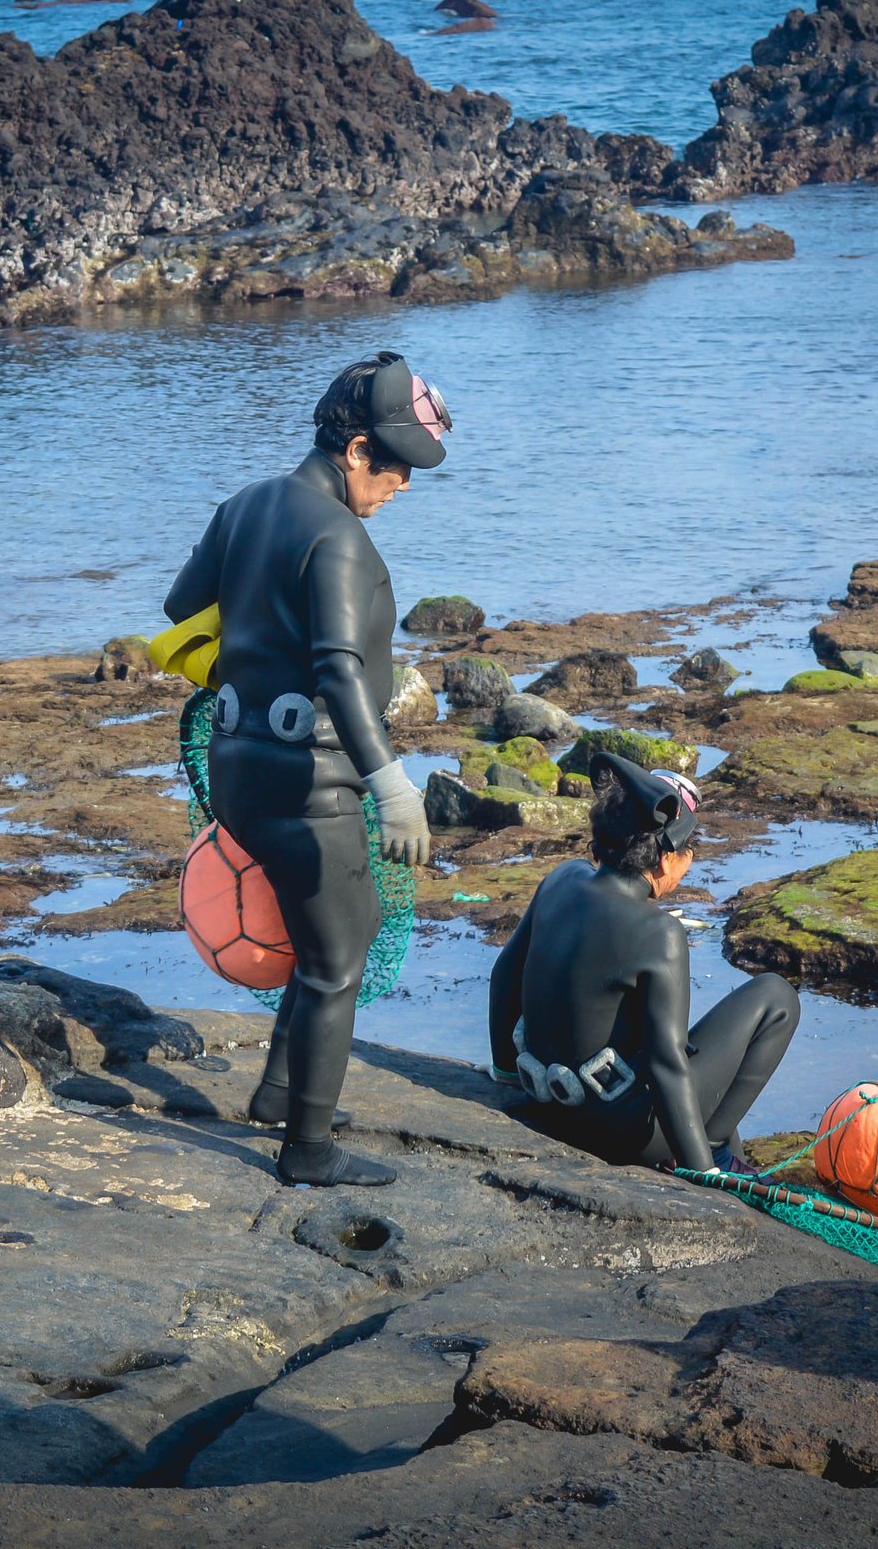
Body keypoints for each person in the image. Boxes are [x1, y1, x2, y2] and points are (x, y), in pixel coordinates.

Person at [163, 352, 451, 1187]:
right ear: (356, 449)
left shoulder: (247, 504)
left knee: (345, 930)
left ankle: (280, 1091)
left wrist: (257, 635)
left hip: (236, 767)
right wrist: (391, 786)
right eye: (397, 465)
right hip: (309, 785)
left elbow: (183, 606)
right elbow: (336, 672)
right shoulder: (340, 540)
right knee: (335, 964)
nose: (404, 483)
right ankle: (307, 1150)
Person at [486, 753, 799, 1174]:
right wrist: (701, 1173)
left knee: (690, 1054)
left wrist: (507, 1072)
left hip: (546, 1103)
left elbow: (504, 976)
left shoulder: (562, 879)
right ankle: (713, 1148)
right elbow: (665, 1063)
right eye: (690, 853)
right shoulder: (659, 933)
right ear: (667, 859)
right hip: (621, 1134)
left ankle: (716, 1144)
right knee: (777, 996)